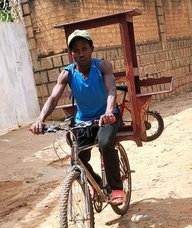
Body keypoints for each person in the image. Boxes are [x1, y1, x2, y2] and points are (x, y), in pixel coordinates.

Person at [30, 29, 125, 204]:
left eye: (84, 48)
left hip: (106, 118)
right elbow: (53, 98)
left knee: (105, 143)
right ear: (71, 54)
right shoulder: (68, 73)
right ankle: (95, 183)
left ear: (92, 49)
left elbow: (111, 89)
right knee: (77, 157)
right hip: (83, 122)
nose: (80, 53)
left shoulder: (102, 66)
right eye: (76, 50)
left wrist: (109, 111)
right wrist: (40, 119)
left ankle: (116, 187)